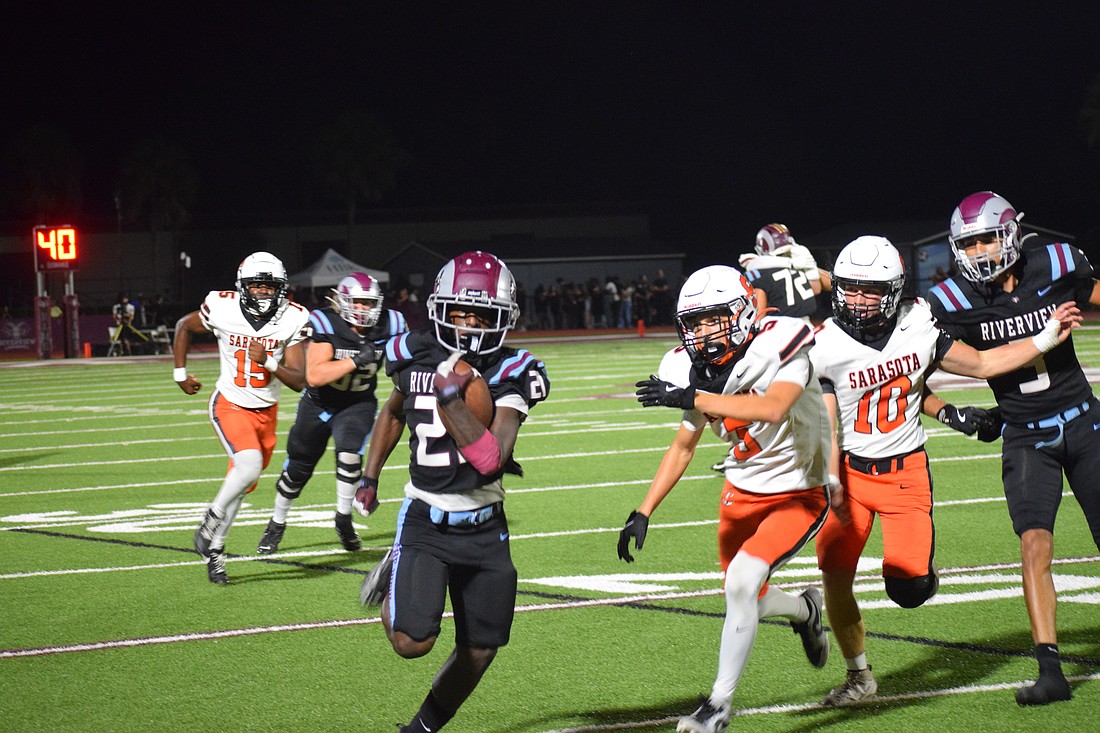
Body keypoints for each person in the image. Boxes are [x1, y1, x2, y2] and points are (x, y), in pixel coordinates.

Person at [811, 235, 1081, 706]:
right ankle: (859, 675)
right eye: (850, 288)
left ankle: (919, 575)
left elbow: (979, 363)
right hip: (850, 478)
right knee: (834, 573)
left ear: (893, 291)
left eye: (870, 290)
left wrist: (1043, 338)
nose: (857, 299)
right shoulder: (823, 344)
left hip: (903, 473)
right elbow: (818, 416)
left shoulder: (919, 325)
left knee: (910, 589)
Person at [618, 264, 831, 733]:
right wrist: (643, 509)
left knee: (741, 581)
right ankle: (805, 609)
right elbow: (684, 444)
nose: (702, 332)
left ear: (740, 313)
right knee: (744, 591)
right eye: (693, 323)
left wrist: (693, 396)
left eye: (713, 319)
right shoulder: (685, 367)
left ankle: (718, 706)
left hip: (799, 487)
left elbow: (771, 407)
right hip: (741, 488)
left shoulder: (782, 340)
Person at [356, 251, 549, 733]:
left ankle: (420, 729)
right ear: (439, 308)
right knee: (411, 643)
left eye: (480, 314)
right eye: (459, 312)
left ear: (503, 318)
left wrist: (450, 399)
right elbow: (394, 411)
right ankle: (397, 565)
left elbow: (492, 459)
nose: (467, 325)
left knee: (481, 648)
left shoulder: (513, 370)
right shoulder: (412, 350)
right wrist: (369, 476)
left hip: (486, 525)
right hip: (426, 516)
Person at [927, 191, 1100, 706]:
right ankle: (1051, 669)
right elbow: (907, 373)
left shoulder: (1056, 261)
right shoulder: (951, 300)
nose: (979, 252)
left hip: (1085, 422)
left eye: (986, 238)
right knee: (1033, 544)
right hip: (1025, 435)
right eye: (969, 243)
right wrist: (951, 413)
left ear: (1010, 233)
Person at [172, 251, 310, 584]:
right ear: (242, 287)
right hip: (230, 403)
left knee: (243, 482)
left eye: (268, 286)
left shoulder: (293, 317)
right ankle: (210, 519)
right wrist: (180, 373)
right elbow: (183, 327)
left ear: (280, 288)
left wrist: (269, 362)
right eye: (255, 285)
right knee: (247, 467)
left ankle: (216, 551)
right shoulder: (222, 306)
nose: (262, 291)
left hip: (267, 412)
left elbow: (299, 380)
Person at [255, 272, 408, 555]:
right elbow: (314, 375)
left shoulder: (392, 323)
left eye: (368, 303)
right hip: (318, 404)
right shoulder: (327, 322)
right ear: (343, 302)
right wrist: (355, 360)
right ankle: (277, 522)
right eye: (358, 302)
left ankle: (343, 519)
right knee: (297, 470)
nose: (363, 309)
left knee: (350, 454)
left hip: (357, 403)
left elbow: (406, 357)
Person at [738, 223, 824, 323]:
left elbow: (759, 316)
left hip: (778, 328)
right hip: (806, 326)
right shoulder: (800, 265)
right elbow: (816, 289)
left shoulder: (759, 272)